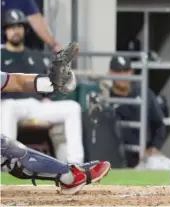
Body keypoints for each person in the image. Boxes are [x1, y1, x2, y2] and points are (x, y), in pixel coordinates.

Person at [1, 43, 111, 195]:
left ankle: (70, 174)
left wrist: (50, 82)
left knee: (7, 150)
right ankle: (69, 176)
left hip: (33, 105)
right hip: (15, 105)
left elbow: (16, 82)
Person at [1, 9, 84, 164]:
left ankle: (75, 163)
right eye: (11, 27)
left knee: (73, 107)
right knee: (8, 108)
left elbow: (48, 83)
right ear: (5, 30)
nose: (16, 30)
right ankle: (7, 162)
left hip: (35, 104)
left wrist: (49, 98)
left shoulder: (35, 56)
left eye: (19, 26)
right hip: (9, 104)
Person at [107, 56, 170, 170]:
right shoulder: (106, 97)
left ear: (131, 72)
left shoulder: (144, 93)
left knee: (166, 166)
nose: (123, 75)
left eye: (126, 71)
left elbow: (159, 123)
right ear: (110, 73)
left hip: (142, 157)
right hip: (114, 158)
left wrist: (154, 147)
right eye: (118, 71)